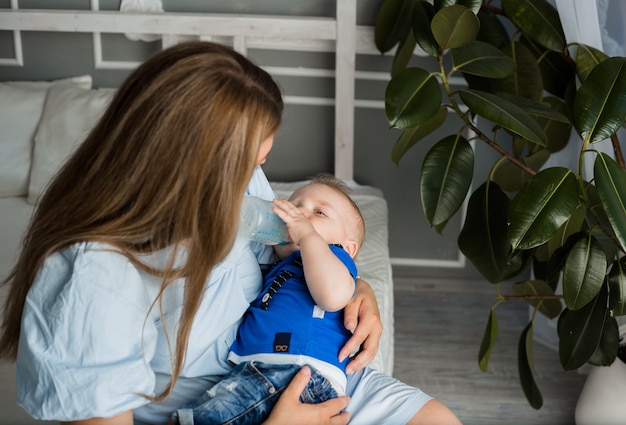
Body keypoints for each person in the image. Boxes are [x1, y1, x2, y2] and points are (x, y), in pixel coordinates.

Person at [0, 41, 462, 425]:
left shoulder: (237, 191)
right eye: (247, 164)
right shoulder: (93, 277)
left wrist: (357, 287)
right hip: (220, 410)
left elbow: (285, 262)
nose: (255, 182)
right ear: (187, 164)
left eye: (260, 163)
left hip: (293, 367)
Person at [170, 174, 366, 425]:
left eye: (319, 213)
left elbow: (333, 297)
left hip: (299, 373)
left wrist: (307, 237)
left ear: (348, 248)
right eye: (295, 206)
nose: (300, 215)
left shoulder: (336, 258)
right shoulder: (277, 268)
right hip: (256, 372)